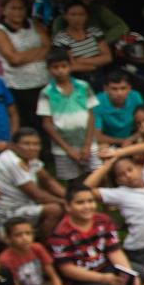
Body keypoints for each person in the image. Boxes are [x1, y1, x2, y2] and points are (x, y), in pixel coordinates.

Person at [46, 182, 144, 285]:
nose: (87, 206)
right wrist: (103, 279)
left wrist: (129, 273)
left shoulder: (103, 221)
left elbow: (114, 251)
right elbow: (67, 270)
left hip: (105, 267)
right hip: (81, 279)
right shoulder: (61, 234)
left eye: (90, 201)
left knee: (140, 275)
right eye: (80, 202)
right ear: (68, 206)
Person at [85, 142, 144, 285]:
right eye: (121, 175)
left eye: (130, 170)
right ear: (118, 181)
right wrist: (107, 165)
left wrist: (118, 153)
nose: (128, 176)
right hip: (142, 249)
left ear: (138, 168)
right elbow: (84, 189)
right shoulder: (120, 194)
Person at [0, 0, 52, 140]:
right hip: (19, 86)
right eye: (13, 8)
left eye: (21, 8)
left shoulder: (35, 25)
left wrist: (24, 55)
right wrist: (38, 52)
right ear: (4, 10)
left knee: (45, 121)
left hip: (43, 82)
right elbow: (14, 59)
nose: (18, 12)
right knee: (27, 125)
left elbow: (49, 47)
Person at [0, 127, 65, 237]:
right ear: (14, 145)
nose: (32, 148)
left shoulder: (29, 158)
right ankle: (46, 243)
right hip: (6, 212)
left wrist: (71, 197)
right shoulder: (12, 161)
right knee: (55, 209)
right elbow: (38, 196)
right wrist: (66, 202)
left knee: (68, 204)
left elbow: (49, 181)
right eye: (26, 144)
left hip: (23, 204)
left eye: (36, 144)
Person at [38, 49, 100, 184]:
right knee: (74, 181)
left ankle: (103, 204)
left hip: (89, 143)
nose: (60, 70)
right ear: (49, 69)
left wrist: (87, 145)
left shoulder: (83, 86)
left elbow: (91, 117)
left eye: (63, 66)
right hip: (63, 148)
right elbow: (47, 124)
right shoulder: (46, 92)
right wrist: (68, 150)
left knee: (98, 176)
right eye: (55, 67)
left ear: (70, 66)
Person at [50, 1, 111, 85]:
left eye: (81, 14)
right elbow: (70, 65)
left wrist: (81, 60)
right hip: (76, 80)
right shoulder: (61, 38)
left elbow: (107, 57)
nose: (77, 18)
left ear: (86, 16)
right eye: (73, 15)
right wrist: (93, 66)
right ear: (65, 16)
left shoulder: (95, 32)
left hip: (101, 76)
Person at [91, 72, 144, 146]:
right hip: (108, 142)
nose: (119, 93)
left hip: (133, 138)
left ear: (129, 88)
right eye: (114, 89)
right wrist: (124, 141)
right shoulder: (97, 102)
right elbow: (97, 136)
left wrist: (133, 139)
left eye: (123, 88)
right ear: (105, 89)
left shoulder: (135, 97)